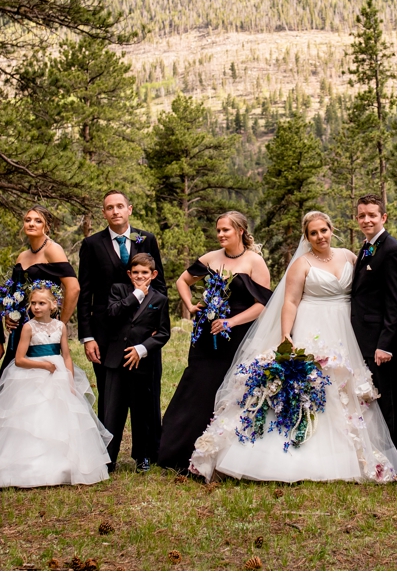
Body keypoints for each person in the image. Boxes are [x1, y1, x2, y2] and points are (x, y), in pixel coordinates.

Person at [190, 211, 397, 484]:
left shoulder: (350, 256)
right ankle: (290, 452)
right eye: (313, 233)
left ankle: (351, 451)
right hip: (312, 327)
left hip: (346, 329)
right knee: (313, 385)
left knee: (345, 387)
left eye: (323, 231)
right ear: (307, 237)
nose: (320, 237)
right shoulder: (301, 264)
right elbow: (290, 301)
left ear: (331, 229)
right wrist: (285, 334)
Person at [0, 283, 110, 488]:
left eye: (41, 303)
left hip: (58, 375)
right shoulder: (28, 327)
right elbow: (19, 359)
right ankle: (24, 466)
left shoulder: (60, 327)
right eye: (33, 303)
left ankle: (63, 466)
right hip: (32, 375)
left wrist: (69, 378)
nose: (36, 307)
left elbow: (66, 355)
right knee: (32, 419)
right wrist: (43, 365)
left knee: (60, 419)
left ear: (53, 305)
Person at [155, 211, 270, 472]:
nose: (220, 235)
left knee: (231, 390)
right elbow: (182, 281)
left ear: (240, 231)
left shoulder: (255, 262)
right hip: (206, 335)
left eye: (226, 230)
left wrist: (231, 322)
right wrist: (190, 306)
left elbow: (262, 305)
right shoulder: (210, 258)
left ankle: (226, 457)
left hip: (238, 335)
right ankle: (179, 452)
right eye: (218, 230)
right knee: (197, 386)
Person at [76, 192, 163, 472]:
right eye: (109, 208)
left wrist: (152, 325)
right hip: (106, 331)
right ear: (104, 213)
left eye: (120, 207)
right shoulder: (91, 244)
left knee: (146, 394)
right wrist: (87, 336)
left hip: (143, 332)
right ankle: (107, 454)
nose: (115, 212)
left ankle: (146, 453)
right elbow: (85, 292)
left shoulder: (146, 239)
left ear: (130, 209)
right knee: (110, 394)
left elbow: (159, 284)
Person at [95, 254, 171, 472]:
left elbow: (163, 333)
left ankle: (143, 456)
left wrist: (142, 349)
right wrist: (137, 294)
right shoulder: (119, 290)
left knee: (142, 412)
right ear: (129, 274)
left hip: (142, 363)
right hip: (116, 361)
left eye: (144, 273)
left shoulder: (159, 299)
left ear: (153, 275)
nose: (140, 276)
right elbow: (112, 313)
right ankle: (108, 457)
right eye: (135, 272)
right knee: (113, 411)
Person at [346, 194, 397, 444]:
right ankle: (379, 447)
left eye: (372, 215)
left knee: (389, 398)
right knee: (374, 396)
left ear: (383, 217)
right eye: (362, 215)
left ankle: (394, 452)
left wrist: (384, 344)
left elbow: (395, 304)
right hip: (365, 339)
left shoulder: (393, 250)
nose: (366, 219)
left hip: (384, 342)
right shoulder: (366, 247)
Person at [0, 208, 79, 369]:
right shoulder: (22, 256)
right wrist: (9, 314)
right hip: (22, 326)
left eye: (38, 221)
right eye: (28, 220)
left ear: (47, 226)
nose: (31, 224)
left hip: (44, 326)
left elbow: (73, 288)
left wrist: (59, 325)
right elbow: (15, 291)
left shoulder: (52, 250)